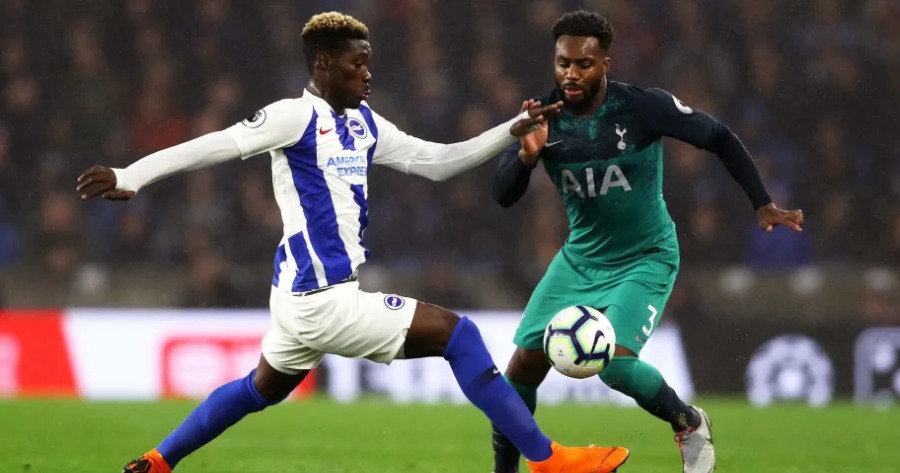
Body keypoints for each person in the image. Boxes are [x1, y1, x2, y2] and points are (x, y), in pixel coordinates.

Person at [75, 12, 630, 473]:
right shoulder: (293, 117)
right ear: (323, 64)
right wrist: (131, 175)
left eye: (368, 62)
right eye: (356, 63)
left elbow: (437, 162)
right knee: (460, 336)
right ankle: (547, 459)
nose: (367, 73)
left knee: (259, 388)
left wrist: (510, 130)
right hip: (318, 298)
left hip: (301, 294)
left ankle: (158, 461)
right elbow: (212, 144)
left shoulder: (363, 122)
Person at [489, 10, 804, 473]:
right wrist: (526, 156)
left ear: (605, 65)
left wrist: (762, 202)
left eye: (583, 64)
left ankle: (688, 422)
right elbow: (503, 195)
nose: (571, 73)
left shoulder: (642, 108)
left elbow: (718, 137)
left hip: (645, 256)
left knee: (615, 366)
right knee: (521, 368)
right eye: (563, 63)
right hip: (579, 259)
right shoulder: (542, 118)